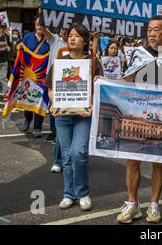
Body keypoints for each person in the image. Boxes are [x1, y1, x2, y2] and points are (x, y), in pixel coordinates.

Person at [116, 16, 162, 224]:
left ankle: (154, 204)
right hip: (137, 113)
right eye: (149, 30)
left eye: (156, 30)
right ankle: (132, 204)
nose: (152, 34)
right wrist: (105, 82)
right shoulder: (138, 54)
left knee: (158, 160)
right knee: (133, 159)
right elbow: (127, 79)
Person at [45, 22, 103, 211]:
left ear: (85, 41)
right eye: (70, 35)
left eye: (77, 35)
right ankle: (69, 194)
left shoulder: (93, 63)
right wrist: (54, 103)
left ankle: (83, 193)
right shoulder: (60, 62)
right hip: (62, 115)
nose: (72, 38)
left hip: (84, 115)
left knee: (79, 153)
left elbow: (100, 90)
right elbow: (51, 88)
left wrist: (92, 105)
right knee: (67, 156)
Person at [21, 17, 50, 138]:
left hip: (43, 76)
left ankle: (38, 127)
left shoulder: (49, 40)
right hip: (29, 74)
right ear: (34, 25)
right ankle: (27, 119)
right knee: (28, 97)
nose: (39, 27)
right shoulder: (27, 37)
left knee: (41, 100)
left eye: (41, 25)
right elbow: (21, 52)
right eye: (38, 24)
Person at [43, 27, 68, 172]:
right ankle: (58, 160)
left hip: (75, 92)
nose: (70, 37)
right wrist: (42, 14)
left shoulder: (82, 51)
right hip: (57, 87)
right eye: (66, 32)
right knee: (60, 125)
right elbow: (45, 30)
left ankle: (70, 159)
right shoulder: (55, 41)